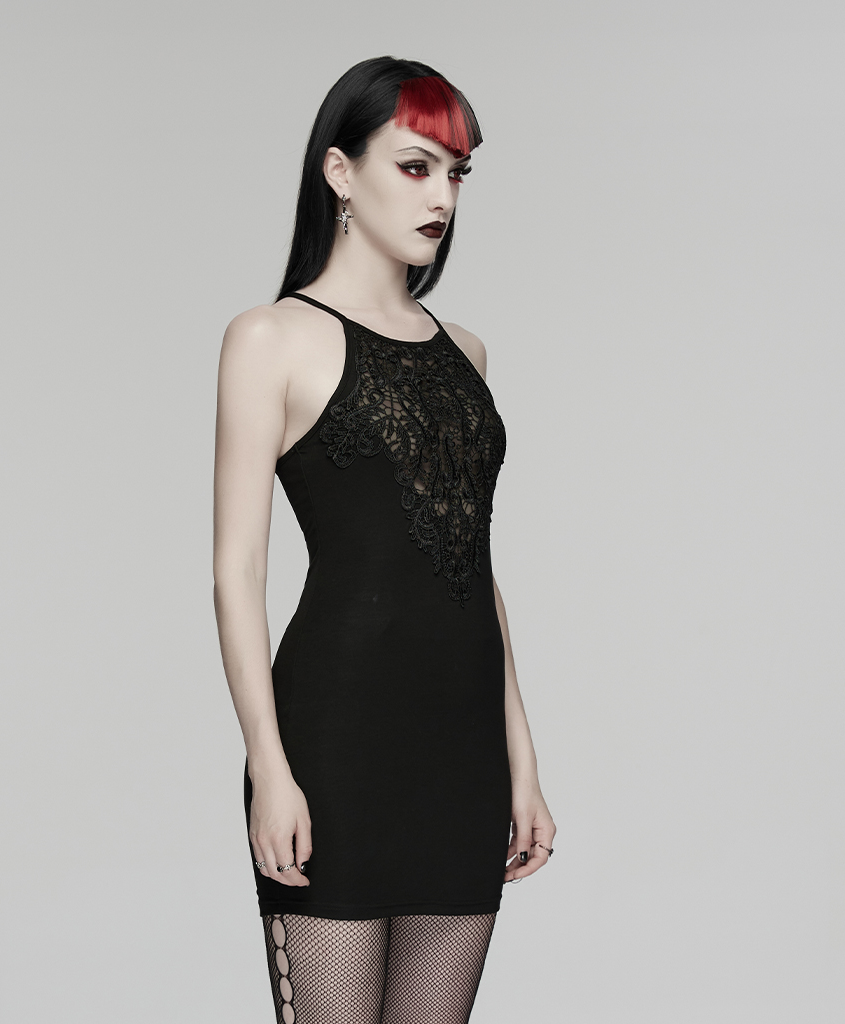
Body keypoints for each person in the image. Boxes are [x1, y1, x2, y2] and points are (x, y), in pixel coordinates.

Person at [214, 55, 556, 1024]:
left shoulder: (467, 352)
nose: (442, 196)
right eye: (415, 166)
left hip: (461, 748)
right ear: (339, 171)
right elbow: (236, 572)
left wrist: (523, 761)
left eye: (457, 173)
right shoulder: (269, 338)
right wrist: (270, 767)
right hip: (336, 742)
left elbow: (473, 565)